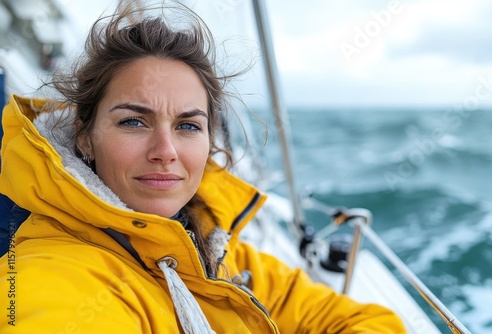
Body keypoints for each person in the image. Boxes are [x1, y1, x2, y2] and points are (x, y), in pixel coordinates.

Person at [0, 4, 407, 333]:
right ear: (85, 136)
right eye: (133, 121)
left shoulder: (210, 248)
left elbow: (367, 322)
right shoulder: (54, 275)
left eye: (188, 125)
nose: (165, 150)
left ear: (210, 140)